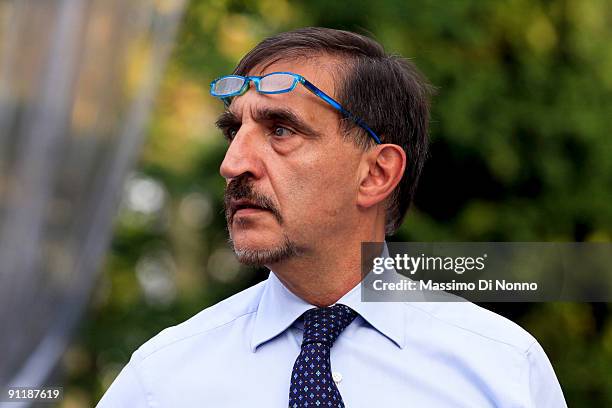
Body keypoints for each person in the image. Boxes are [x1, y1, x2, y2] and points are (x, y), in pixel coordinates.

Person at [97, 27, 567, 407]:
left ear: (376, 174)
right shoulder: (160, 380)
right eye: (234, 131)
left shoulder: (503, 370)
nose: (232, 163)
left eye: (281, 129)